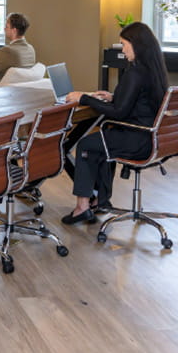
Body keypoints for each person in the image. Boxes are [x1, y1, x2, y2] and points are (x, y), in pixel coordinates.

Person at [60, 22, 168, 225]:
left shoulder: (135, 72)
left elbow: (119, 113)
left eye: (124, 44)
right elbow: (137, 101)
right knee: (100, 142)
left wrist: (83, 98)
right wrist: (113, 96)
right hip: (150, 137)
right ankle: (100, 201)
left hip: (136, 138)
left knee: (86, 145)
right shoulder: (153, 69)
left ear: (137, 45)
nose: (123, 49)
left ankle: (83, 206)